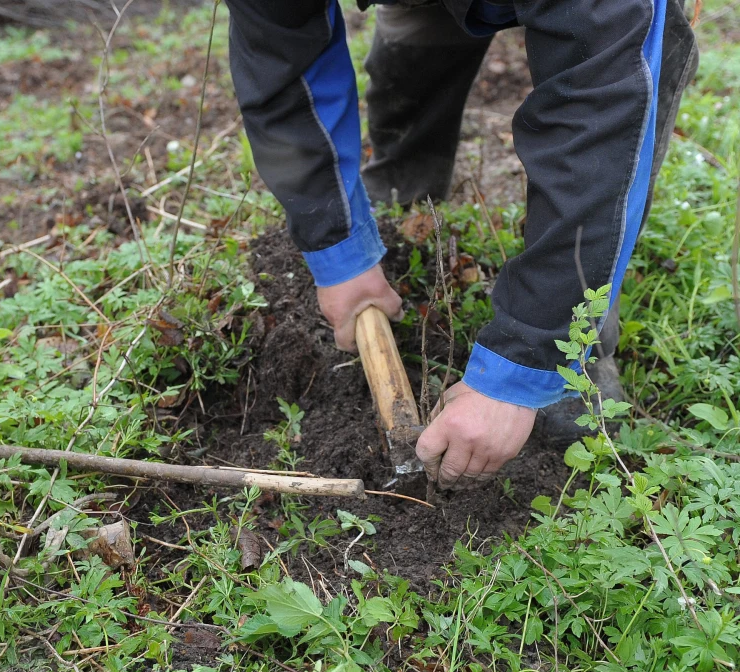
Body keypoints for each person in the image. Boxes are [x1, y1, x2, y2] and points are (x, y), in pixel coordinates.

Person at [223, 0, 698, 488]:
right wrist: (338, 250)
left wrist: (525, 365)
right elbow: (285, 67)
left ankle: (579, 344)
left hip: (604, 25)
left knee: (633, 97)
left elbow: (600, 127)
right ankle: (399, 209)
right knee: (417, 47)